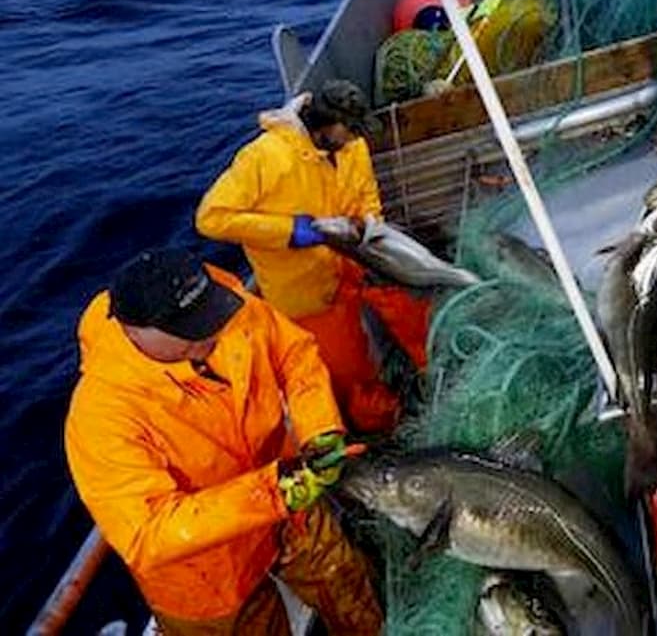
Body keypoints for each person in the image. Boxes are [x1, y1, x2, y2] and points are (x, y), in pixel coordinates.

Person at [65, 248, 383, 635]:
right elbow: (147, 532)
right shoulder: (101, 416)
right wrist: (272, 492)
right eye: (190, 327)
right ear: (133, 332)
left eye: (210, 314)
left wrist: (320, 431)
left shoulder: (221, 302)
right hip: (208, 575)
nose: (212, 331)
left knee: (346, 582)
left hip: (289, 500)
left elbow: (294, 353)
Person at [195, 79, 430, 434]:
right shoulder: (264, 156)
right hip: (306, 295)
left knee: (415, 310)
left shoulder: (353, 147)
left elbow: (367, 197)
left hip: (354, 265)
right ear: (327, 124)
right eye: (350, 129)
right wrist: (289, 232)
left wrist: (373, 236)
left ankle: (426, 377)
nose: (355, 137)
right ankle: (370, 432)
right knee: (345, 375)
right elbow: (211, 218)